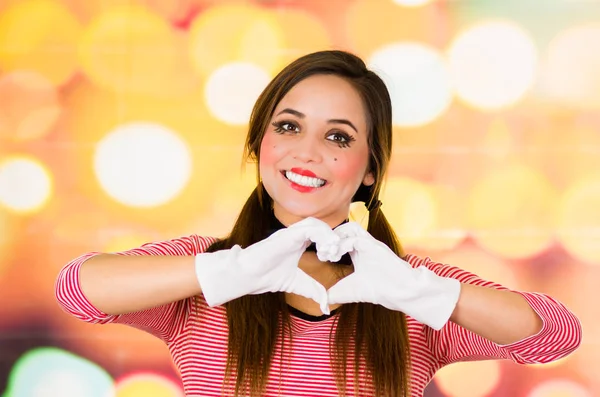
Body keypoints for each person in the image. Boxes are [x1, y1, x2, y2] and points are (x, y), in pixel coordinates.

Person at [55, 50, 582, 397]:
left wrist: (420, 291)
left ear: (371, 167)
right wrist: (226, 272)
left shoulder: (409, 287)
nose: (306, 153)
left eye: (338, 137)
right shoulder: (205, 269)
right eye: (288, 126)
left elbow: (554, 335)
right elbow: (78, 291)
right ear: (261, 142)